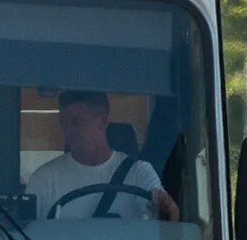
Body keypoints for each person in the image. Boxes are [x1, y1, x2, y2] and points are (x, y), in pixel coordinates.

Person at [26, 90, 178, 221]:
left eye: (76, 122)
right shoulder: (44, 180)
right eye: (63, 123)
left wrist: (166, 207)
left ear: (103, 122)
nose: (68, 131)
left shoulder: (139, 173)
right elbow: (26, 237)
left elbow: (168, 221)